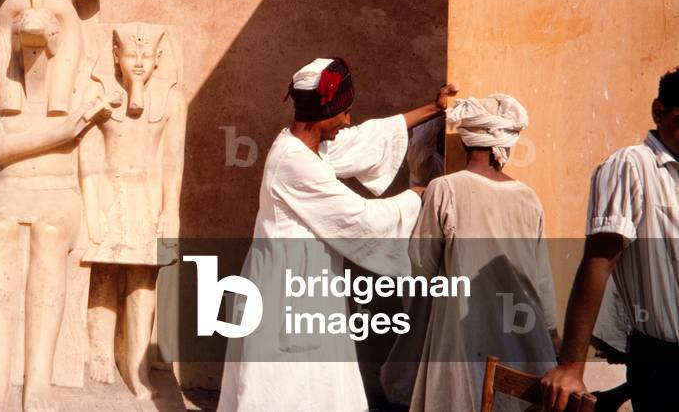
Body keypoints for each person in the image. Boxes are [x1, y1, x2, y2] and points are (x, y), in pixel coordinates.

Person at [217, 57, 456, 412]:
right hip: (286, 287)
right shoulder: (293, 162)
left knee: (314, 385)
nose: (347, 120)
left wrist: (432, 110)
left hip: (302, 281)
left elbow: (365, 138)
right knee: (285, 386)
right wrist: (417, 195)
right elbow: (359, 218)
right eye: (343, 112)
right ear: (321, 113)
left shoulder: (305, 145)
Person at [541, 66, 679, 412]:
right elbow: (599, 262)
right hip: (665, 365)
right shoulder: (633, 166)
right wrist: (572, 367)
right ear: (658, 112)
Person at [408, 94, 558, 412]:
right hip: (521, 331)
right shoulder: (528, 198)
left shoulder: (445, 189)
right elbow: (542, 278)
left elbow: (421, 266)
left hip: (461, 332)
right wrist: (551, 335)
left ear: (465, 142)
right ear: (504, 145)